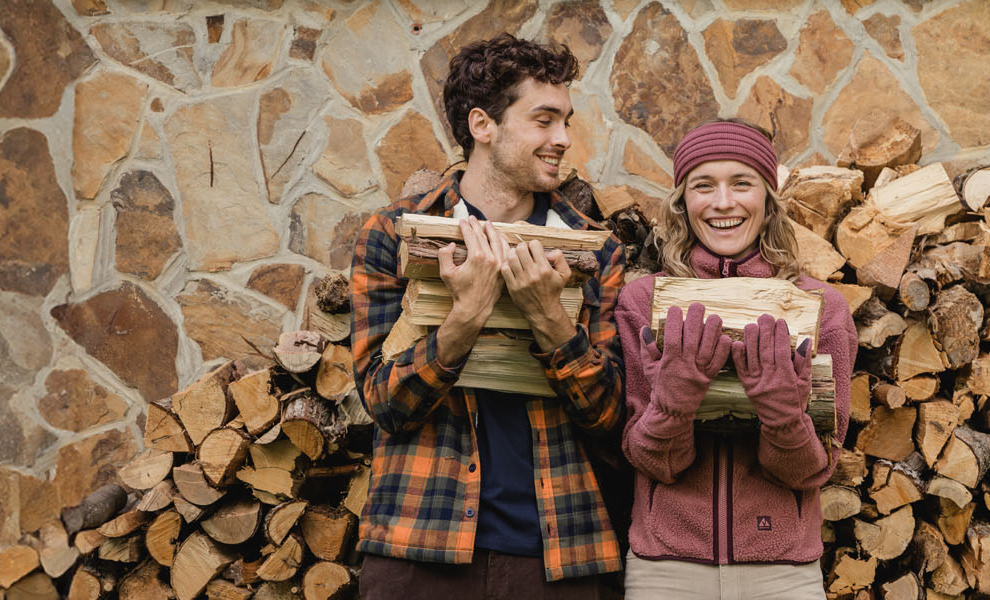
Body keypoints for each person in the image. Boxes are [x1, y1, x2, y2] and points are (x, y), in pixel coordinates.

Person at [348, 34, 626, 599]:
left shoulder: (593, 250)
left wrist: (550, 319)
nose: (563, 140)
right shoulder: (395, 234)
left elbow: (611, 418)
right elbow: (383, 404)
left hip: (556, 552)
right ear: (482, 125)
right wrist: (466, 315)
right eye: (544, 120)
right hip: (418, 545)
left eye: (566, 121)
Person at [614, 119, 855, 599]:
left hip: (782, 571)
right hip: (666, 568)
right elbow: (649, 461)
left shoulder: (819, 309)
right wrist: (674, 403)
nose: (723, 202)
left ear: (767, 199)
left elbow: (812, 470)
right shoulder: (644, 303)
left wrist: (783, 415)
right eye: (704, 185)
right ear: (684, 203)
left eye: (741, 183)